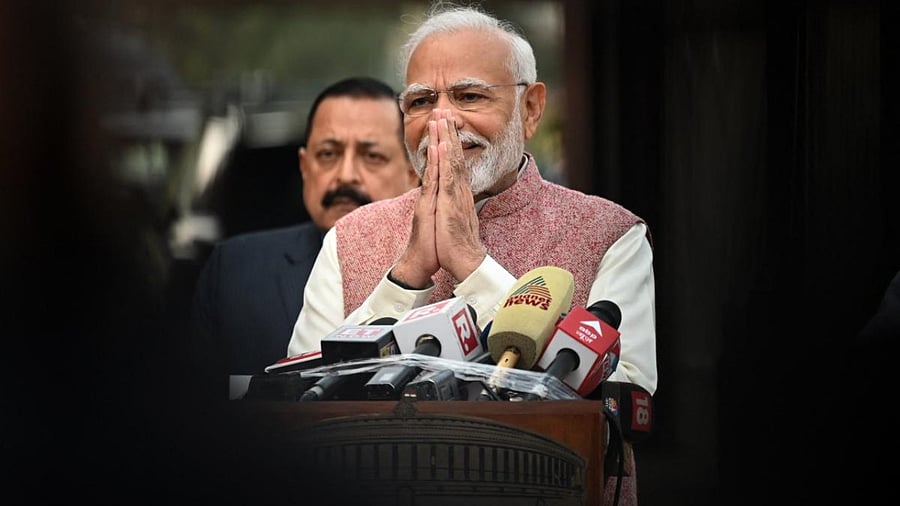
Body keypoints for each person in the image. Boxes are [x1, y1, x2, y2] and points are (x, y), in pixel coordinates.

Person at [286, 4, 656, 504]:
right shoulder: (351, 236)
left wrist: (471, 265)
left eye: (468, 96)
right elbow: (300, 397)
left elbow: (620, 406)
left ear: (531, 109)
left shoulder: (612, 233)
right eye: (420, 102)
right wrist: (407, 278)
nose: (441, 119)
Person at [191, 77, 419, 381]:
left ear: (413, 174)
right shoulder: (235, 271)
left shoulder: (441, 268)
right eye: (328, 154)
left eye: (372, 156)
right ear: (304, 166)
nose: (346, 176)